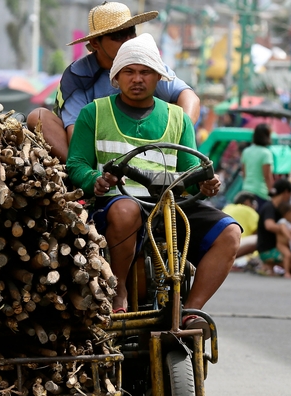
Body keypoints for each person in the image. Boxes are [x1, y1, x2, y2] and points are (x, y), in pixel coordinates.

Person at [66, 33, 240, 333]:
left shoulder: (178, 118)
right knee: (126, 210)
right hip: (114, 209)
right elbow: (76, 164)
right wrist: (95, 180)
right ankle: (118, 290)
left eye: (145, 72)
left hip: (169, 207)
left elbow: (189, 171)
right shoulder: (93, 113)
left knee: (230, 233)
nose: (137, 79)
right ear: (116, 77)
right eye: (129, 72)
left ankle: (191, 308)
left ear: (158, 77)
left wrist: (204, 185)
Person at [26, 1, 200, 162]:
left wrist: (180, 134)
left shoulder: (146, 62)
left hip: (149, 146)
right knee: (38, 116)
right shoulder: (79, 74)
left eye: (130, 32)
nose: (128, 41)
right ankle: (84, 173)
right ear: (95, 43)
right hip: (94, 149)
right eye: (118, 35)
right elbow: (76, 134)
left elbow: (189, 97)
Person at [256, 179, 291, 278]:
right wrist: (289, 232)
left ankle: (273, 265)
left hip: (279, 246)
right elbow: (269, 225)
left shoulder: (279, 208)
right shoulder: (269, 207)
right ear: (286, 192)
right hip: (269, 248)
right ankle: (269, 264)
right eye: (290, 194)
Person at [240, 123, 275, 208]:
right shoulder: (266, 153)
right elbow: (267, 176)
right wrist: (272, 191)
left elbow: (244, 173)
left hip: (246, 191)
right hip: (260, 193)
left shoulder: (246, 151)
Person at [223, 192, 259, 257]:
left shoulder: (226, 208)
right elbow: (259, 233)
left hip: (221, 249)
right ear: (247, 202)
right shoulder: (249, 210)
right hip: (241, 252)